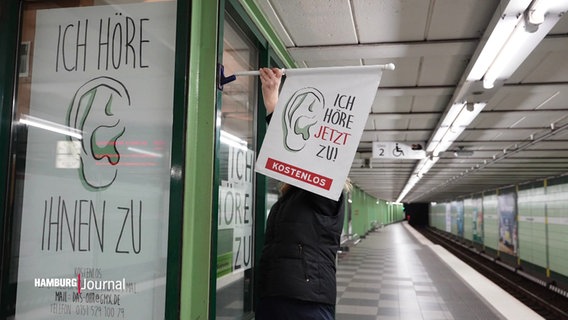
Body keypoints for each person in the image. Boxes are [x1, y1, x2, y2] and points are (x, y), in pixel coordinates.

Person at [255, 67, 347, 320]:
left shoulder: (327, 192)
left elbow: (299, 156)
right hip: (275, 294)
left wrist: (274, 107)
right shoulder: (289, 199)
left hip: (305, 300)